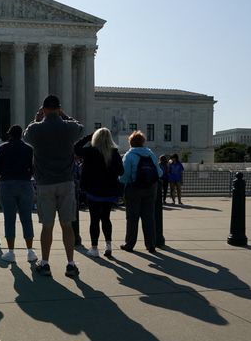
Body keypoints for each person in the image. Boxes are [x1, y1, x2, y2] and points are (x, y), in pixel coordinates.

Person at [23, 95, 84, 277]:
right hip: (66, 182)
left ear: (43, 109)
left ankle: (46, 263)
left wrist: (37, 119)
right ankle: (71, 263)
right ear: (59, 108)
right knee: (67, 225)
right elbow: (79, 126)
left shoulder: (36, 129)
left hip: (45, 183)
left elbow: (26, 135)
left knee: (47, 226)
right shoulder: (69, 127)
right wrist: (63, 115)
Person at [74, 128, 124, 258]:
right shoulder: (114, 152)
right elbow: (121, 171)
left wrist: (88, 136)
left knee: (94, 219)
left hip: (93, 190)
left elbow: (75, 148)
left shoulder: (91, 152)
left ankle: (94, 247)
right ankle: (108, 246)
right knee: (106, 218)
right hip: (109, 191)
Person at [0, 125, 37, 263]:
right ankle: (30, 251)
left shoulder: (3, 148)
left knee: (9, 219)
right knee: (27, 218)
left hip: (7, 183)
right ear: (22, 135)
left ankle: (11, 252)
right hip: (25, 183)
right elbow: (34, 168)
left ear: (10, 135)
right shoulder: (29, 149)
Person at [119, 131, 163, 253]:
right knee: (149, 217)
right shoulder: (151, 154)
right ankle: (151, 244)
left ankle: (130, 244)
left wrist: (121, 181)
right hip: (150, 189)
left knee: (132, 218)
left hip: (134, 189)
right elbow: (159, 173)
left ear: (130, 142)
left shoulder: (129, 155)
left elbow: (124, 175)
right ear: (143, 142)